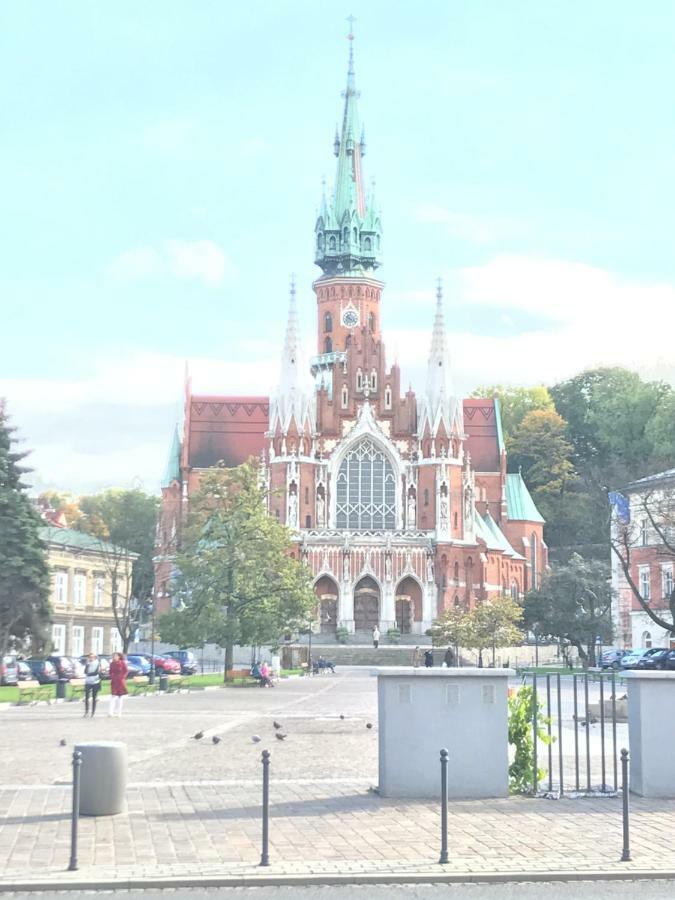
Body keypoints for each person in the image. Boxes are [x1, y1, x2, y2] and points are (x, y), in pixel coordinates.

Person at [109, 651, 128, 717]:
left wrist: (122, 677)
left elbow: (125, 671)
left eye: (115, 656)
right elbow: (110, 671)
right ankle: (111, 712)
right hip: (114, 681)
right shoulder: (112, 663)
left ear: (119, 657)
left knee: (120, 697)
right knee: (113, 696)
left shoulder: (122, 663)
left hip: (120, 681)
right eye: (113, 656)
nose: (114, 657)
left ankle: (119, 712)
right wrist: (112, 677)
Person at [84, 652, 101, 717]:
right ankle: (86, 711)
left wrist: (89, 674)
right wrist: (87, 665)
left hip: (95, 681)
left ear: (94, 658)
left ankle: (93, 712)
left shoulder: (97, 663)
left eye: (92, 657)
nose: (91, 658)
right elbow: (85, 671)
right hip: (88, 681)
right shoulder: (88, 663)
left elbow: (96, 672)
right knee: (87, 697)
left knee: (94, 697)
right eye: (90, 657)